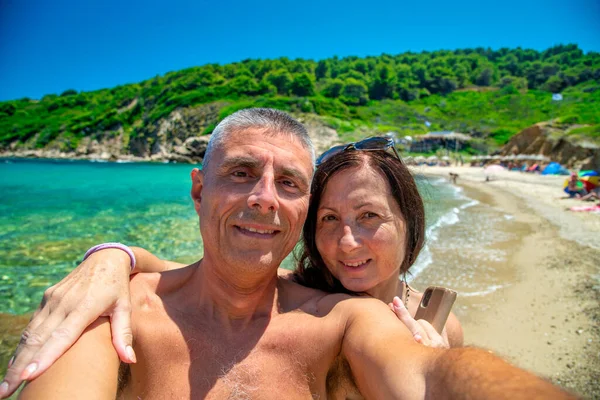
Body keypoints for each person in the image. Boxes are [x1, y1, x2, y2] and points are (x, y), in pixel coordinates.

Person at [3, 109, 573, 399]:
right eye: (242, 173)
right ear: (199, 190)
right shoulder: (115, 317)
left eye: (290, 184)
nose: (263, 199)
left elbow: (434, 378)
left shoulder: (345, 318)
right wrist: (113, 254)